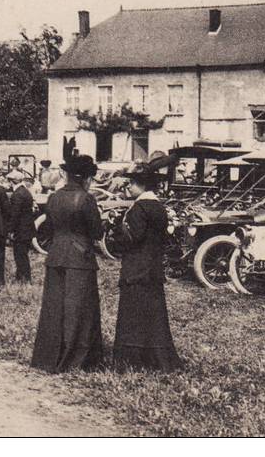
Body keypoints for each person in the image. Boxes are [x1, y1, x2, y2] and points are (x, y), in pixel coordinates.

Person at [31, 141, 104, 373]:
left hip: (56, 256)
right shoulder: (86, 199)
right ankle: (76, 360)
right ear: (85, 178)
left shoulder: (53, 198)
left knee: (54, 308)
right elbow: (96, 233)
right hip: (80, 259)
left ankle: (48, 357)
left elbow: (49, 228)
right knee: (79, 310)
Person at [112, 158, 183, 372]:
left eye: (131, 183)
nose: (128, 187)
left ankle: (131, 361)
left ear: (140, 185)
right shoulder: (158, 207)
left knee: (132, 316)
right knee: (154, 317)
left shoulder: (139, 208)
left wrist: (115, 228)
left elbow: (132, 239)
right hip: (153, 268)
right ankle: (158, 359)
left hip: (136, 269)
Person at [7, 169, 37, 283]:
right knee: (23, 254)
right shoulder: (25, 191)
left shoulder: (17, 194)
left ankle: (24, 278)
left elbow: (15, 214)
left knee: (20, 255)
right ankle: (22, 276)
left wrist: (10, 230)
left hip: (21, 230)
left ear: (11, 182)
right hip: (27, 229)